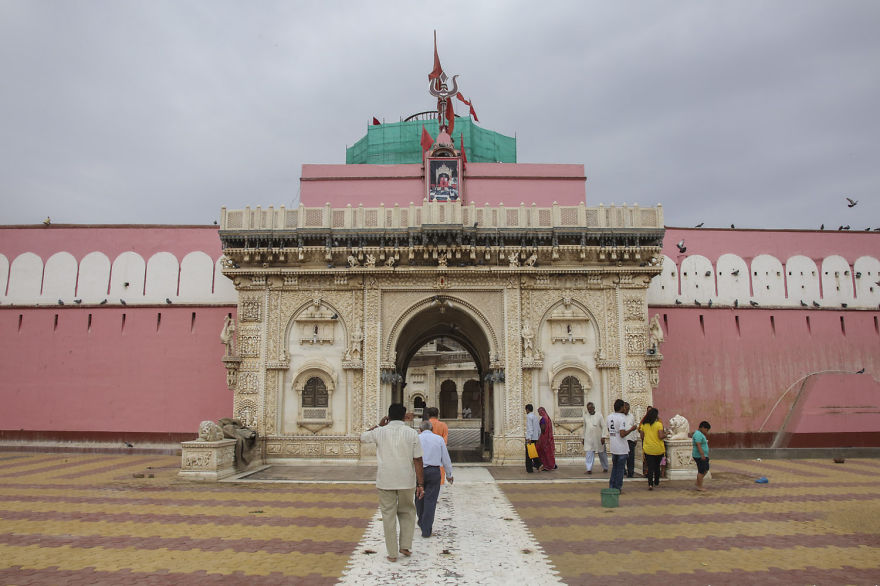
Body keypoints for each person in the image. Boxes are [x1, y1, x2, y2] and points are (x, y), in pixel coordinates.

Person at [360, 403, 425, 562]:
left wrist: (378, 425)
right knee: (408, 512)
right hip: (406, 480)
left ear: (388, 416)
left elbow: (362, 437)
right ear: (404, 416)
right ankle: (405, 545)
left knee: (388, 515)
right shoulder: (412, 433)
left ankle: (392, 553)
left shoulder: (380, 432)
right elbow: (417, 460)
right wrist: (420, 484)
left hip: (385, 480)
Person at [416, 420, 454, 537]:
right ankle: (426, 528)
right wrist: (449, 475)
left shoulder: (416, 438)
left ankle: (422, 521)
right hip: (433, 472)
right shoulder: (439, 439)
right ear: (432, 429)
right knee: (430, 501)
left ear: (420, 429)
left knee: (419, 498)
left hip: (418, 472)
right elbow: (445, 458)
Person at [607, 399, 637, 491]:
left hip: (613, 446)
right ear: (621, 407)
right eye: (624, 406)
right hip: (621, 448)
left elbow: (609, 430)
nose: (625, 408)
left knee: (615, 468)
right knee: (620, 469)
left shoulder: (609, 416)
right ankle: (618, 487)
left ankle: (612, 486)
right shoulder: (622, 418)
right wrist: (632, 429)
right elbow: (622, 434)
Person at [639, 407, 667, 490]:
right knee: (657, 466)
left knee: (650, 467)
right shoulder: (659, 424)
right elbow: (661, 436)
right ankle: (657, 481)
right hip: (658, 449)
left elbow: (642, 437)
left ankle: (650, 484)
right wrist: (667, 434)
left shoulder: (644, 425)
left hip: (648, 449)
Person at [582, 402, 608, 474]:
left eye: (591, 408)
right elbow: (584, 427)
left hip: (598, 437)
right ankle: (589, 469)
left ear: (594, 408)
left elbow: (604, 426)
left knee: (602, 453)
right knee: (589, 453)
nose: (590, 410)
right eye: (588, 409)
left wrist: (603, 436)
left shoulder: (599, 415)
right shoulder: (586, 416)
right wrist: (583, 438)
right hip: (589, 438)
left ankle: (605, 467)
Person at [427, 407, 449, 483]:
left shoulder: (424, 425)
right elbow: (444, 443)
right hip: (438, 458)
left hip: (426, 458)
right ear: (438, 414)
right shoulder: (443, 425)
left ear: (428, 415)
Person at [692, 420, 711, 491]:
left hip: (702, 455)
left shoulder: (700, 434)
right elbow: (698, 444)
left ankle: (698, 483)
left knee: (705, 469)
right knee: (702, 471)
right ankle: (699, 486)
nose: (707, 432)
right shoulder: (698, 434)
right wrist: (702, 454)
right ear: (702, 427)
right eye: (706, 430)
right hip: (699, 456)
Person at [536, 406, 556, 471]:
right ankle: (551, 465)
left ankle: (546, 465)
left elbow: (543, 428)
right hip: (548, 438)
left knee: (543, 452)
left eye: (539, 412)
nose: (539, 413)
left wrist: (539, 434)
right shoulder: (548, 418)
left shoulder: (543, 419)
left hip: (544, 438)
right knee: (548, 452)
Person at [524, 404, 542, 473]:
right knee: (532, 452)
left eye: (526, 409)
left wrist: (529, 438)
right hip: (535, 437)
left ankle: (531, 468)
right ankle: (538, 465)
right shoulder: (535, 417)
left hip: (530, 438)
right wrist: (538, 437)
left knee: (528, 455)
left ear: (527, 409)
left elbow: (530, 428)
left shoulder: (529, 417)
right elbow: (538, 429)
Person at [623, 402, 637, 478]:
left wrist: (635, 438)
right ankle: (623, 471)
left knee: (631, 457)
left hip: (630, 439)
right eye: (626, 408)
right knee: (623, 457)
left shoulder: (631, 416)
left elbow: (634, 427)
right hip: (623, 439)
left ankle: (631, 472)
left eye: (628, 409)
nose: (627, 410)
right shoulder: (620, 417)